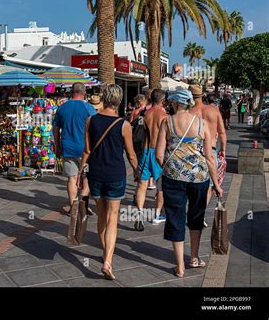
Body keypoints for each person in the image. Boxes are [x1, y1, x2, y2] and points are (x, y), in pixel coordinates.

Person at [155, 90, 223, 278]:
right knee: (196, 217)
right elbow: (209, 157)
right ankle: (193, 258)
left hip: (173, 179)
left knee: (175, 218)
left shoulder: (167, 122)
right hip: (199, 178)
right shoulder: (202, 124)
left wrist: (172, 167)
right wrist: (216, 184)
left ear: (175, 104)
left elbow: (159, 155)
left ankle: (180, 267)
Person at [78, 84, 139, 280]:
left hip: (95, 174)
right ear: (119, 101)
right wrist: (137, 171)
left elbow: (86, 151)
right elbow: (130, 154)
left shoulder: (91, 120)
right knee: (113, 218)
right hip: (115, 175)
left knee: (101, 216)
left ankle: (106, 253)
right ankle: (107, 261)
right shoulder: (124, 125)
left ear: (104, 98)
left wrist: (80, 172)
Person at [53, 82, 96, 215]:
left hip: (68, 148)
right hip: (86, 150)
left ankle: (73, 206)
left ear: (71, 93)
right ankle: (84, 204)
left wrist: (57, 146)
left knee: (71, 178)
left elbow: (55, 130)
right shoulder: (89, 108)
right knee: (87, 177)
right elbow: (96, 129)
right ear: (84, 94)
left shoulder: (62, 108)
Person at [189, 85, 226, 225]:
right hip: (211, 149)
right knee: (210, 185)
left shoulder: (189, 112)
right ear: (202, 95)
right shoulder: (213, 111)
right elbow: (222, 133)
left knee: (194, 182)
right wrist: (223, 150)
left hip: (194, 149)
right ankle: (200, 213)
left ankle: (194, 210)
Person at [133, 89, 168, 229]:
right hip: (158, 152)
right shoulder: (164, 116)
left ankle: (140, 213)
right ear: (163, 100)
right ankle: (157, 215)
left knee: (142, 184)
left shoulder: (144, 114)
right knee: (160, 186)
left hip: (145, 151)